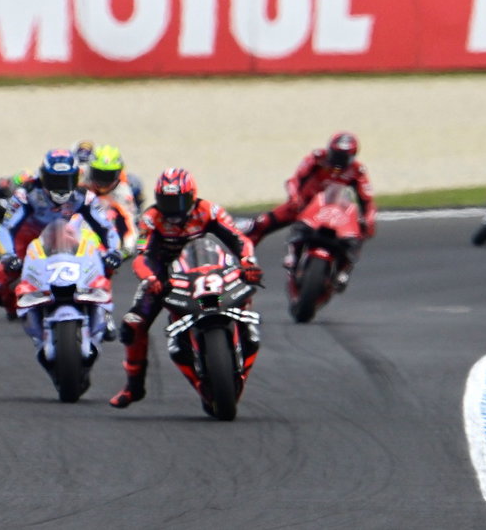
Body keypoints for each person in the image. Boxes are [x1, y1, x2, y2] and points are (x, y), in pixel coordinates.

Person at [109, 169, 263, 409]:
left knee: (245, 289)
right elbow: (142, 256)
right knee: (133, 323)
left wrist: (248, 263)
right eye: (167, 201)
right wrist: (150, 278)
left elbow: (239, 239)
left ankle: (246, 337)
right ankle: (133, 387)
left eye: (178, 200)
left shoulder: (209, 210)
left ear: (192, 196)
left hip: (211, 269)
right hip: (166, 276)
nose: (173, 207)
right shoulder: (151, 218)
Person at [0, 149, 123, 320]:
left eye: (66, 180)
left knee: (107, 261)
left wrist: (114, 250)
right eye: (54, 180)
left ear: (75, 178)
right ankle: (20, 308)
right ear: (43, 177)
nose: (60, 186)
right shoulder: (27, 193)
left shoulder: (84, 196)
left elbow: (106, 228)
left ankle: (103, 311)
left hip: (69, 236)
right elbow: (5, 229)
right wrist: (8, 256)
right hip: (29, 238)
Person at [247, 132, 377, 290]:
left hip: (335, 213)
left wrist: (369, 220)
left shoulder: (358, 171)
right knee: (260, 224)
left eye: (343, 157)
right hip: (304, 206)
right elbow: (294, 181)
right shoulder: (317, 158)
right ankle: (242, 261)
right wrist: (294, 197)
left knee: (359, 233)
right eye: (335, 155)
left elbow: (367, 201)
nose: (337, 161)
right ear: (329, 150)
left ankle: (344, 271)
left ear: (352, 156)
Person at [83, 145, 142, 256]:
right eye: (98, 174)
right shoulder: (81, 179)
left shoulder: (123, 192)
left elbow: (131, 224)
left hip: (106, 234)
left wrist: (125, 250)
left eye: (108, 176)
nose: (103, 181)